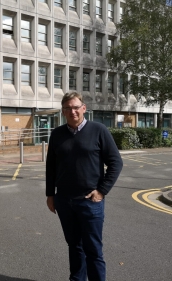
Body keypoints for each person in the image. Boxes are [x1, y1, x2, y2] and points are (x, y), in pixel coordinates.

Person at [45, 92, 123, 281]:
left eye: (76, 107)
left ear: (83, 108)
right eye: (68, 108)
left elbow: (116, 163)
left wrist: (102, 191)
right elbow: (51, 167)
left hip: (90, 201)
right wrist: (50, 195)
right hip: (65, 201)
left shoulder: (99, 130)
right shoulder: (57, 134)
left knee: (93, 249)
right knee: (74, 246)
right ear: (63, 111)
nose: (73, 111)